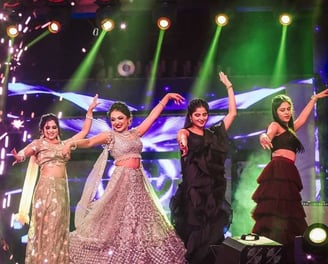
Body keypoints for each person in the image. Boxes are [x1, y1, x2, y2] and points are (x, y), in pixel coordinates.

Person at [62, 93, 187, 263]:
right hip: (121, 183)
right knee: (117, 224)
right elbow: (89, 142)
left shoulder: (136, 133)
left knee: (141, 224)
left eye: (120, 118)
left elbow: (152, 116)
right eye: (113, 120)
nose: (117, 122)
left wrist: (165, 98)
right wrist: (71, 143)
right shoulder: (110, 136)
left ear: (129, 119)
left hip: (138, 183)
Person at [11, 95, 99, 264]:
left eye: (54, 127)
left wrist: (90, 110)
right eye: (47, 128)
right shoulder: (38, 144)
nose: (51, 130)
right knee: (45, 228)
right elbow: (24, 153)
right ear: (42, 130)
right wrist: (19, 156)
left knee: (58, 227)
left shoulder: (64, 144)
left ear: (58, 129)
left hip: (61, 191)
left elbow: (84, 132)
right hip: (45, 190)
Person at [252, 89, 328, 263]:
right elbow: (267, 133)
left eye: (288, 109)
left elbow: (302, 118)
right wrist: (263, 136)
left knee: (288, 212)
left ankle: (287, 252)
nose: (286, 112)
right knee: (277, 211)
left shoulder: (290, 128)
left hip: (288, 170)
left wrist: (314, 99)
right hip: (279, 170)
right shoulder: (275, 125)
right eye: (282, 110)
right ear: (276, 112)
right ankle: (273, 251)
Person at [169, 71, 237, 264]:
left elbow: (232, 113)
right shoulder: (185, 132)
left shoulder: (213, 134)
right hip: (194, 193)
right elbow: (181, 136)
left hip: (212, 192)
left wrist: (229, 87)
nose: (201, 118)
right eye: (197, 115)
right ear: (190, 116)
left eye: (204, 114)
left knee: (213, 236)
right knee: (194, 235)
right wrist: (183, 143)